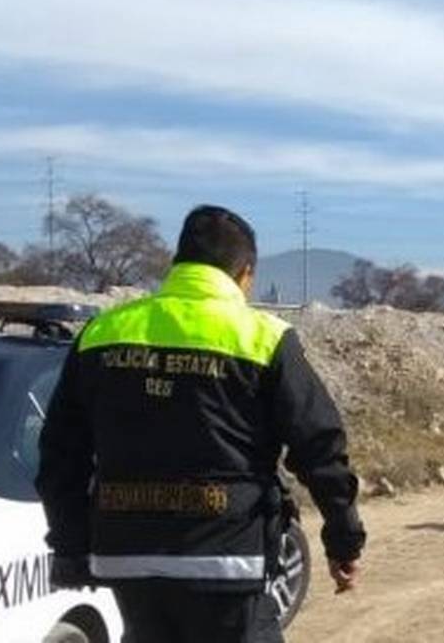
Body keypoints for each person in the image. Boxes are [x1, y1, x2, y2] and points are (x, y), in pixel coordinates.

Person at [36, 205, 366, 643]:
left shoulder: (103, 332)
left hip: (128, 562)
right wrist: (343, 540)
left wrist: (71, 544)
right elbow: (319, 446)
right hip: (227, 560)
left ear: (178, 265)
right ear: (245, 273)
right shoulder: (263, 338)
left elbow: (61, 451)